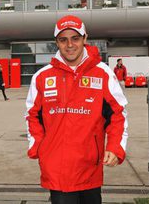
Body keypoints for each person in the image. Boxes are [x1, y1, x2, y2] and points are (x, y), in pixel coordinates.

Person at [25, 15, 128, 204]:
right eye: (63, 39)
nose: (69, 45)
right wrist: (39, 147)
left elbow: (118, 114)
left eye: (75, 38)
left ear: (85, 39)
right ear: (56, 42)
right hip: (57, 171)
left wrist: (114, 147)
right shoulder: (41, 77)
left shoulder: (102, 73)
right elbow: (32, 116)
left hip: (90, 168)